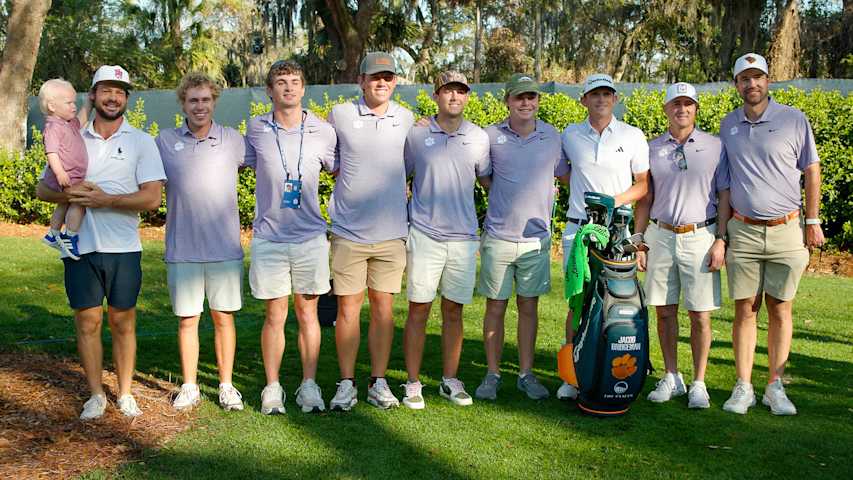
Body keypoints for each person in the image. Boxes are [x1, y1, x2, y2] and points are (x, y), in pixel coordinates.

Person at [36, 65, 166, 420]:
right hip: (81, 247)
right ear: (92, 95)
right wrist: (77, 194)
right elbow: (43, 189)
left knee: (123, 322)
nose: (113, 97)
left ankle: (124, 394)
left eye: (119, 92)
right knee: (87, 322)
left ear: (126, 98)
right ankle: (96, 395)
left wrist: (105, 199)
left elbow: (152, 198)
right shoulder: (69, 133)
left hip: (124, 249)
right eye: (106, 90)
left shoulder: (141, 141)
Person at [719, 53, 824, 416]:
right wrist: (722, 233)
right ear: (737, 85)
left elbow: (811, 169)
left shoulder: (794, 119)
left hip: (787, 229)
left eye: (758, 77)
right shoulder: (728, 125)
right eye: (745, 79)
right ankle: (744, 386)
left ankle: (774, 386)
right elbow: (725, 184)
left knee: (780, 308)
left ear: (768, 81)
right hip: (744, 231)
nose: (752, 84)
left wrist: (813, 220)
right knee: (745, 309)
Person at [244, 60, 337, 414]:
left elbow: (343, 169)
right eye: (281, 82)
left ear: (303, 88)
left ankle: (309, 386)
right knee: (275, 314)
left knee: (308, 313)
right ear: (270, 90)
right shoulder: (256, 129)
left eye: (295, 81)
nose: (288, 87)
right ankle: (272, 387)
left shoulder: (323, 130)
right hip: (269, 237)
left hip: (310, 237)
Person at [326, 52, 415, 410]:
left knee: (383, 309)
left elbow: (408, 166)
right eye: (375, 77)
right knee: (347, 309)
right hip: (348, 232)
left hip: (392, 233)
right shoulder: (340, 115)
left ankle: (378, 382)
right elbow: (330, 161)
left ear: (395, 82)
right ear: (361, 81)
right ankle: (346, 383)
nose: (381, 82)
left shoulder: (407, 118)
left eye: (388, 77)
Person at [474, 74, 569, 401]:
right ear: (508, 101)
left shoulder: (552, 136)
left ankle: (526, 374)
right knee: (495, 307)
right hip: (499, 236)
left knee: (529, 307)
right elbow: (484, 177)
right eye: (519, 97)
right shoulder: (490, 136)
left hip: (535, 239)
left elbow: (564, 175)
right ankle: (492, 374)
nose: (526, 103)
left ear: (538, 101)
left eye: (531, 97)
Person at [155, 73, 245, 412]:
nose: (200, 106)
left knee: (224, 318)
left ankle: (226, 386)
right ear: (183, 103)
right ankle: (190, 386)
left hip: (224, 249)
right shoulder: (164, 142)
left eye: (206, 99)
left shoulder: (233, 140)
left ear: (214, 102)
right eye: (193, 100)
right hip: (183, 249)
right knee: (188, 320)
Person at [634, 82, 728, 409]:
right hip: (660, 235)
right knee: (664, 311)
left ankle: (699, 382)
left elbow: (725, 195)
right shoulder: (651, 148)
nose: (682, 109)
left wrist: (721, 239)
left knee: (700, 314)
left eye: (688, 104)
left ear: (696, 109)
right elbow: (645, 198)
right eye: (676, 104)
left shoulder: (715, 146)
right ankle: (671, 376)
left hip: (701, 235)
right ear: (666, 109)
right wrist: (639, 240)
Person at [400, 71, 490, 409]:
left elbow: (488, 181)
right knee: (418, 309)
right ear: (436, 95)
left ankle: (450, 380)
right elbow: (398, 175)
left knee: (454, 311)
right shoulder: (417, 134)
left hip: (463, 239)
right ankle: (412, 383)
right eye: (448, 91)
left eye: (460, 91)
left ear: (467, 97)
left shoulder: (479, 137)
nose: (454, 97)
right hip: (424, 234)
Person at [557, 73, 649, 400]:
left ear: (615, 98)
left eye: (607, 94)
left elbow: (643, 184)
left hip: (617, 231)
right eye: (594, 94)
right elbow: (564, 173)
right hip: (578, 229)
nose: (601, 99)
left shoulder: (632, 135)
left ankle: (605, 366)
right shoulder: (569, 134)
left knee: (612, 299)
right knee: (577, 301)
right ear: (584, 100)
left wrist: (612, 201)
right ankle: (572, 376)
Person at [38, 78, 91, 260]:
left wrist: (89, 103)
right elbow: (51, 152)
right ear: (52, 106)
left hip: (71, 175)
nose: (74, 106)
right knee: (79, 201)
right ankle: (70, 236)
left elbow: (81, 120)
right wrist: (60, 172)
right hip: (66, 176)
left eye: (74, 102)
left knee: (64, 203)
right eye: (69, 103)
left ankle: (53, 234)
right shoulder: (53, 127)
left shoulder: (67, 124)